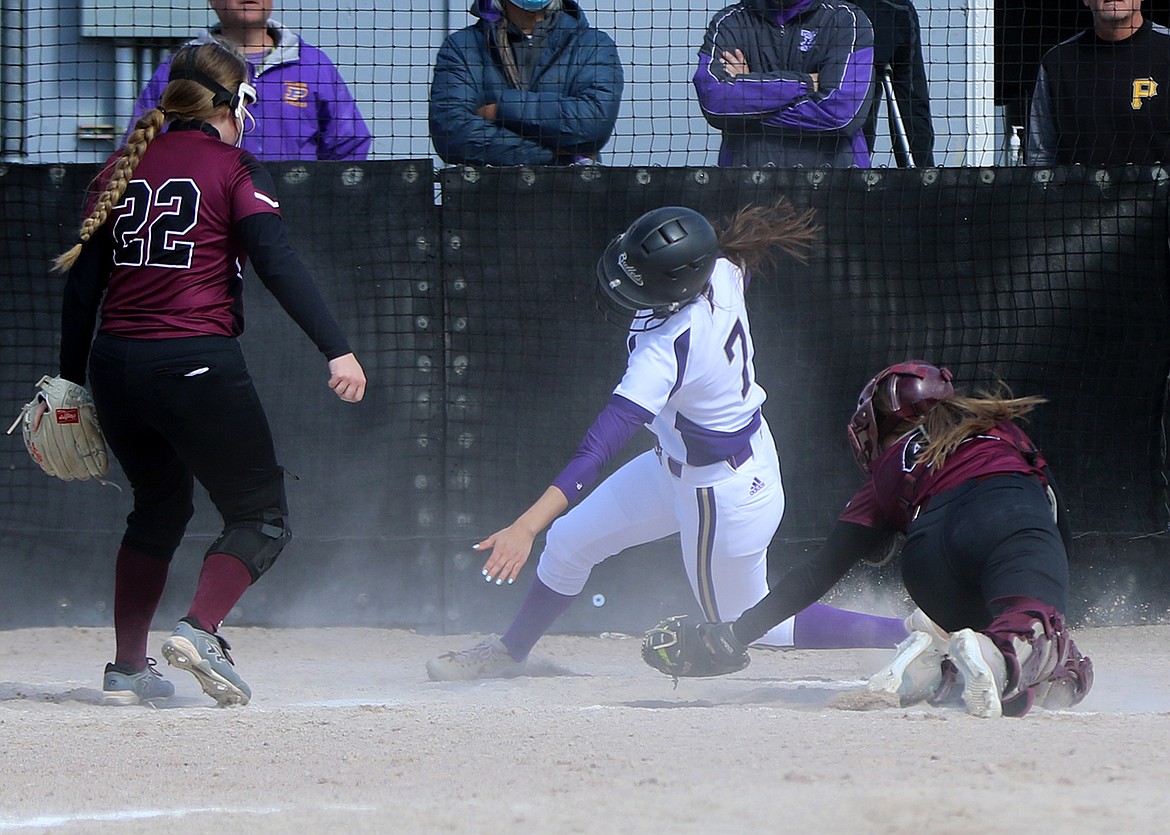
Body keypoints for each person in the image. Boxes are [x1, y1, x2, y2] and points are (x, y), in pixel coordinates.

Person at [426, 202, 909, 681]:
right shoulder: (721, 270)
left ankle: (911, 632)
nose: (624, 284)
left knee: (753, 625)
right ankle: (511, 652)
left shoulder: (666, 350)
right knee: (569, 542)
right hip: (681, 465)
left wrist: (524, 527)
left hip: (721, 492)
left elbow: (595, 451)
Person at [50, 40, 367, 707]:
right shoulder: (232, 166)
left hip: (115, 365)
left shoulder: (121, 165)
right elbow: (278, 264)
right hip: (193, 360)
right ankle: (202, 629)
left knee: (158, 507)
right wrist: (336, 347)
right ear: (237, 103)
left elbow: (83, 291)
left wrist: (68, 382)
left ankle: (127, 668)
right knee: (261, 515)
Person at [651, 361, 1094, 718]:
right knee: (1040, 633)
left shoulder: (888, 470)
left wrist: (734, 634)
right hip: (1008, 513)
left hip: (929, 565)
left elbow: (815, 574)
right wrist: (1049, 593)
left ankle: (935, 670)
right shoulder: (999, 431)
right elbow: (1054, 514)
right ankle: (998, 657)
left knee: (1007, 659)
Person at [127, 0, 371, 161]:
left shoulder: (313, 65)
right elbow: (137, 144)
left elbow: (348, 144)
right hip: (207, 216)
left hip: (292, 216)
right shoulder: (179, 68)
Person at [429, 0, 624, 166]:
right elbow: (452, 134)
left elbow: (593, 125)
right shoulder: (462, 47)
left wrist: (500, 110)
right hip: (485, 199)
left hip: (574, 197)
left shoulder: (594, 45)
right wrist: (553, 154)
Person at [692, 0, 876, 168]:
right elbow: (715, 101)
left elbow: (842, 115)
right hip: (745, 179)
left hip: (838, 180)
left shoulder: (847, 19)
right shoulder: (731, 22)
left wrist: (749, 97)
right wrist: (807, 83)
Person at [1027, 0, 1170, 166]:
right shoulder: (1057, 62)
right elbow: (1041, 157)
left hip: (1158, 191)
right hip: (1080, 191)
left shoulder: (1166, 51)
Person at [849, 0, 935, 167]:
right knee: (906, 98)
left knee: (860, 88)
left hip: (878, 9)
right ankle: (922, 179)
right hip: (890, 9)